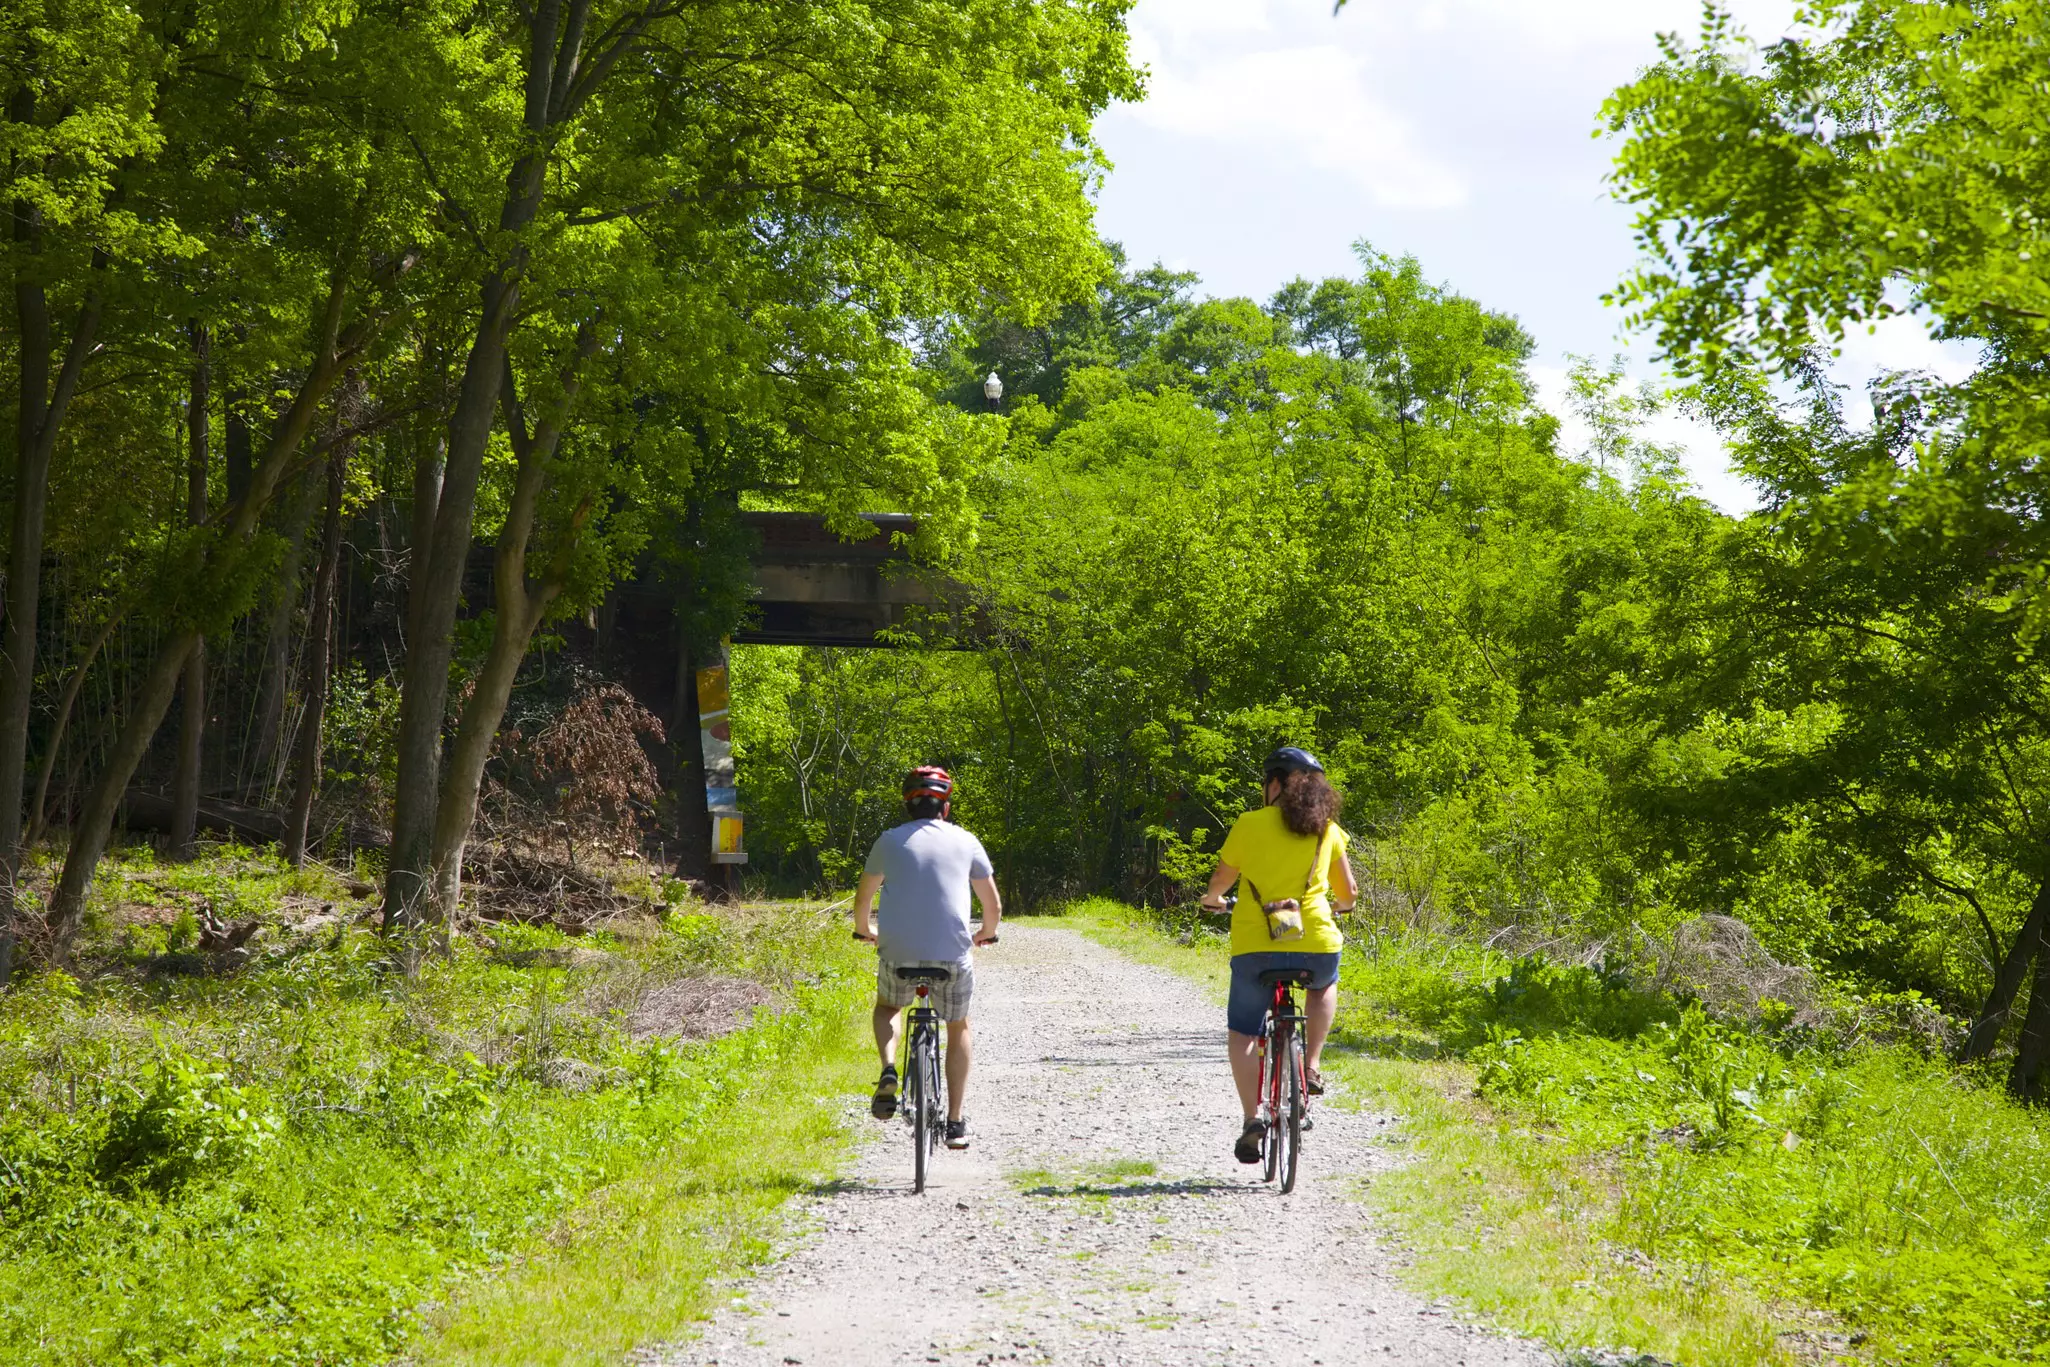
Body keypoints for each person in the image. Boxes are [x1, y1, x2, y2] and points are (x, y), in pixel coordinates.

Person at [1200, 746, 1358, 1164]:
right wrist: (1339, 907)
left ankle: (1253, 1117)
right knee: (1323, 984)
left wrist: (1213, 898)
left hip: (1256, 947)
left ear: (1274, 783)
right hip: (1315, 943)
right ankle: (1311, 1064)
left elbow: (1222, 878)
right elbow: (1349, 893)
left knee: (1243, 1032)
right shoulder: (1328, 829)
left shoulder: (1250, 824)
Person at [852, 766, 1002, 1150]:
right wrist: (985, 933)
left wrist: (865, 930)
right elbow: (992, 905)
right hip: (951, 955)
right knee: (957, 1026)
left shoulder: (887, 841)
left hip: (897, 951)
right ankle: (955, 1123)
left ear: (908, 807)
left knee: (888, 1007)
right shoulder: (966, 840)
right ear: (945, 808)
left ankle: (888, 1069)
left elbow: (864, 899)